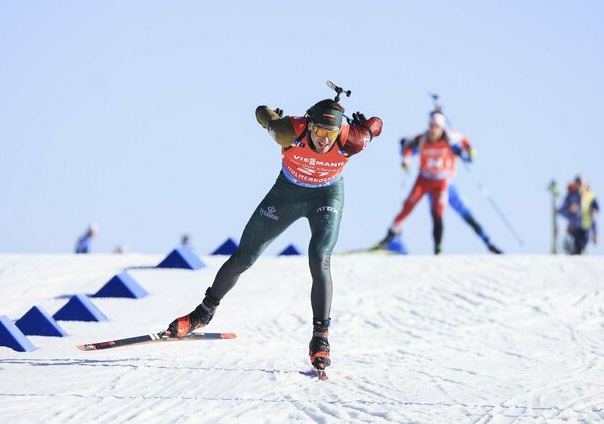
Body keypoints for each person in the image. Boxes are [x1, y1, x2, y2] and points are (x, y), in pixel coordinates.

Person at [163, 95, 383, 373]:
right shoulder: (289, 131)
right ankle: (203, 313)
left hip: (327, 196)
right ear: (309, 125)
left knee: (319, 257)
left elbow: (377, 126)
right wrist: (272, 119)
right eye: (319, 131)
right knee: (244, 257)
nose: (325, 139)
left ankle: (320, 337)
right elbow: (260, 112)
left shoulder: (353, 140)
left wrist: (367, 126)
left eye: (331, 132)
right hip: (287, 194)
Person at [375, 110, 472, 255]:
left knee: (438, 213)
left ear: (441, 128)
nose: (433, 130)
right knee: (407, 207)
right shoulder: (422, 138)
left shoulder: (449, 139)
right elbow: (407, 148)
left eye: (436, 127)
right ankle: (387, 240)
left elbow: (464, 142)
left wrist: (468, 152)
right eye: (431, 126)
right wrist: (405, 160)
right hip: (423, 180)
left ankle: (438, 248)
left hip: (441, 182)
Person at [558, 175, 598, 254]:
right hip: (574, 227)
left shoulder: (591, 196)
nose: (581, 186)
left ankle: (580, 256)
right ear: (575, 184)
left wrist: (595, 234)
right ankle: (576, 255)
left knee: (583, 244)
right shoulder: (571, 196)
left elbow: (595, 213)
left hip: (587, 227)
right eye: (579, 183)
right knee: (578, 244)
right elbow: (561, 211)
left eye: (583, 184)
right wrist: (569, 210)